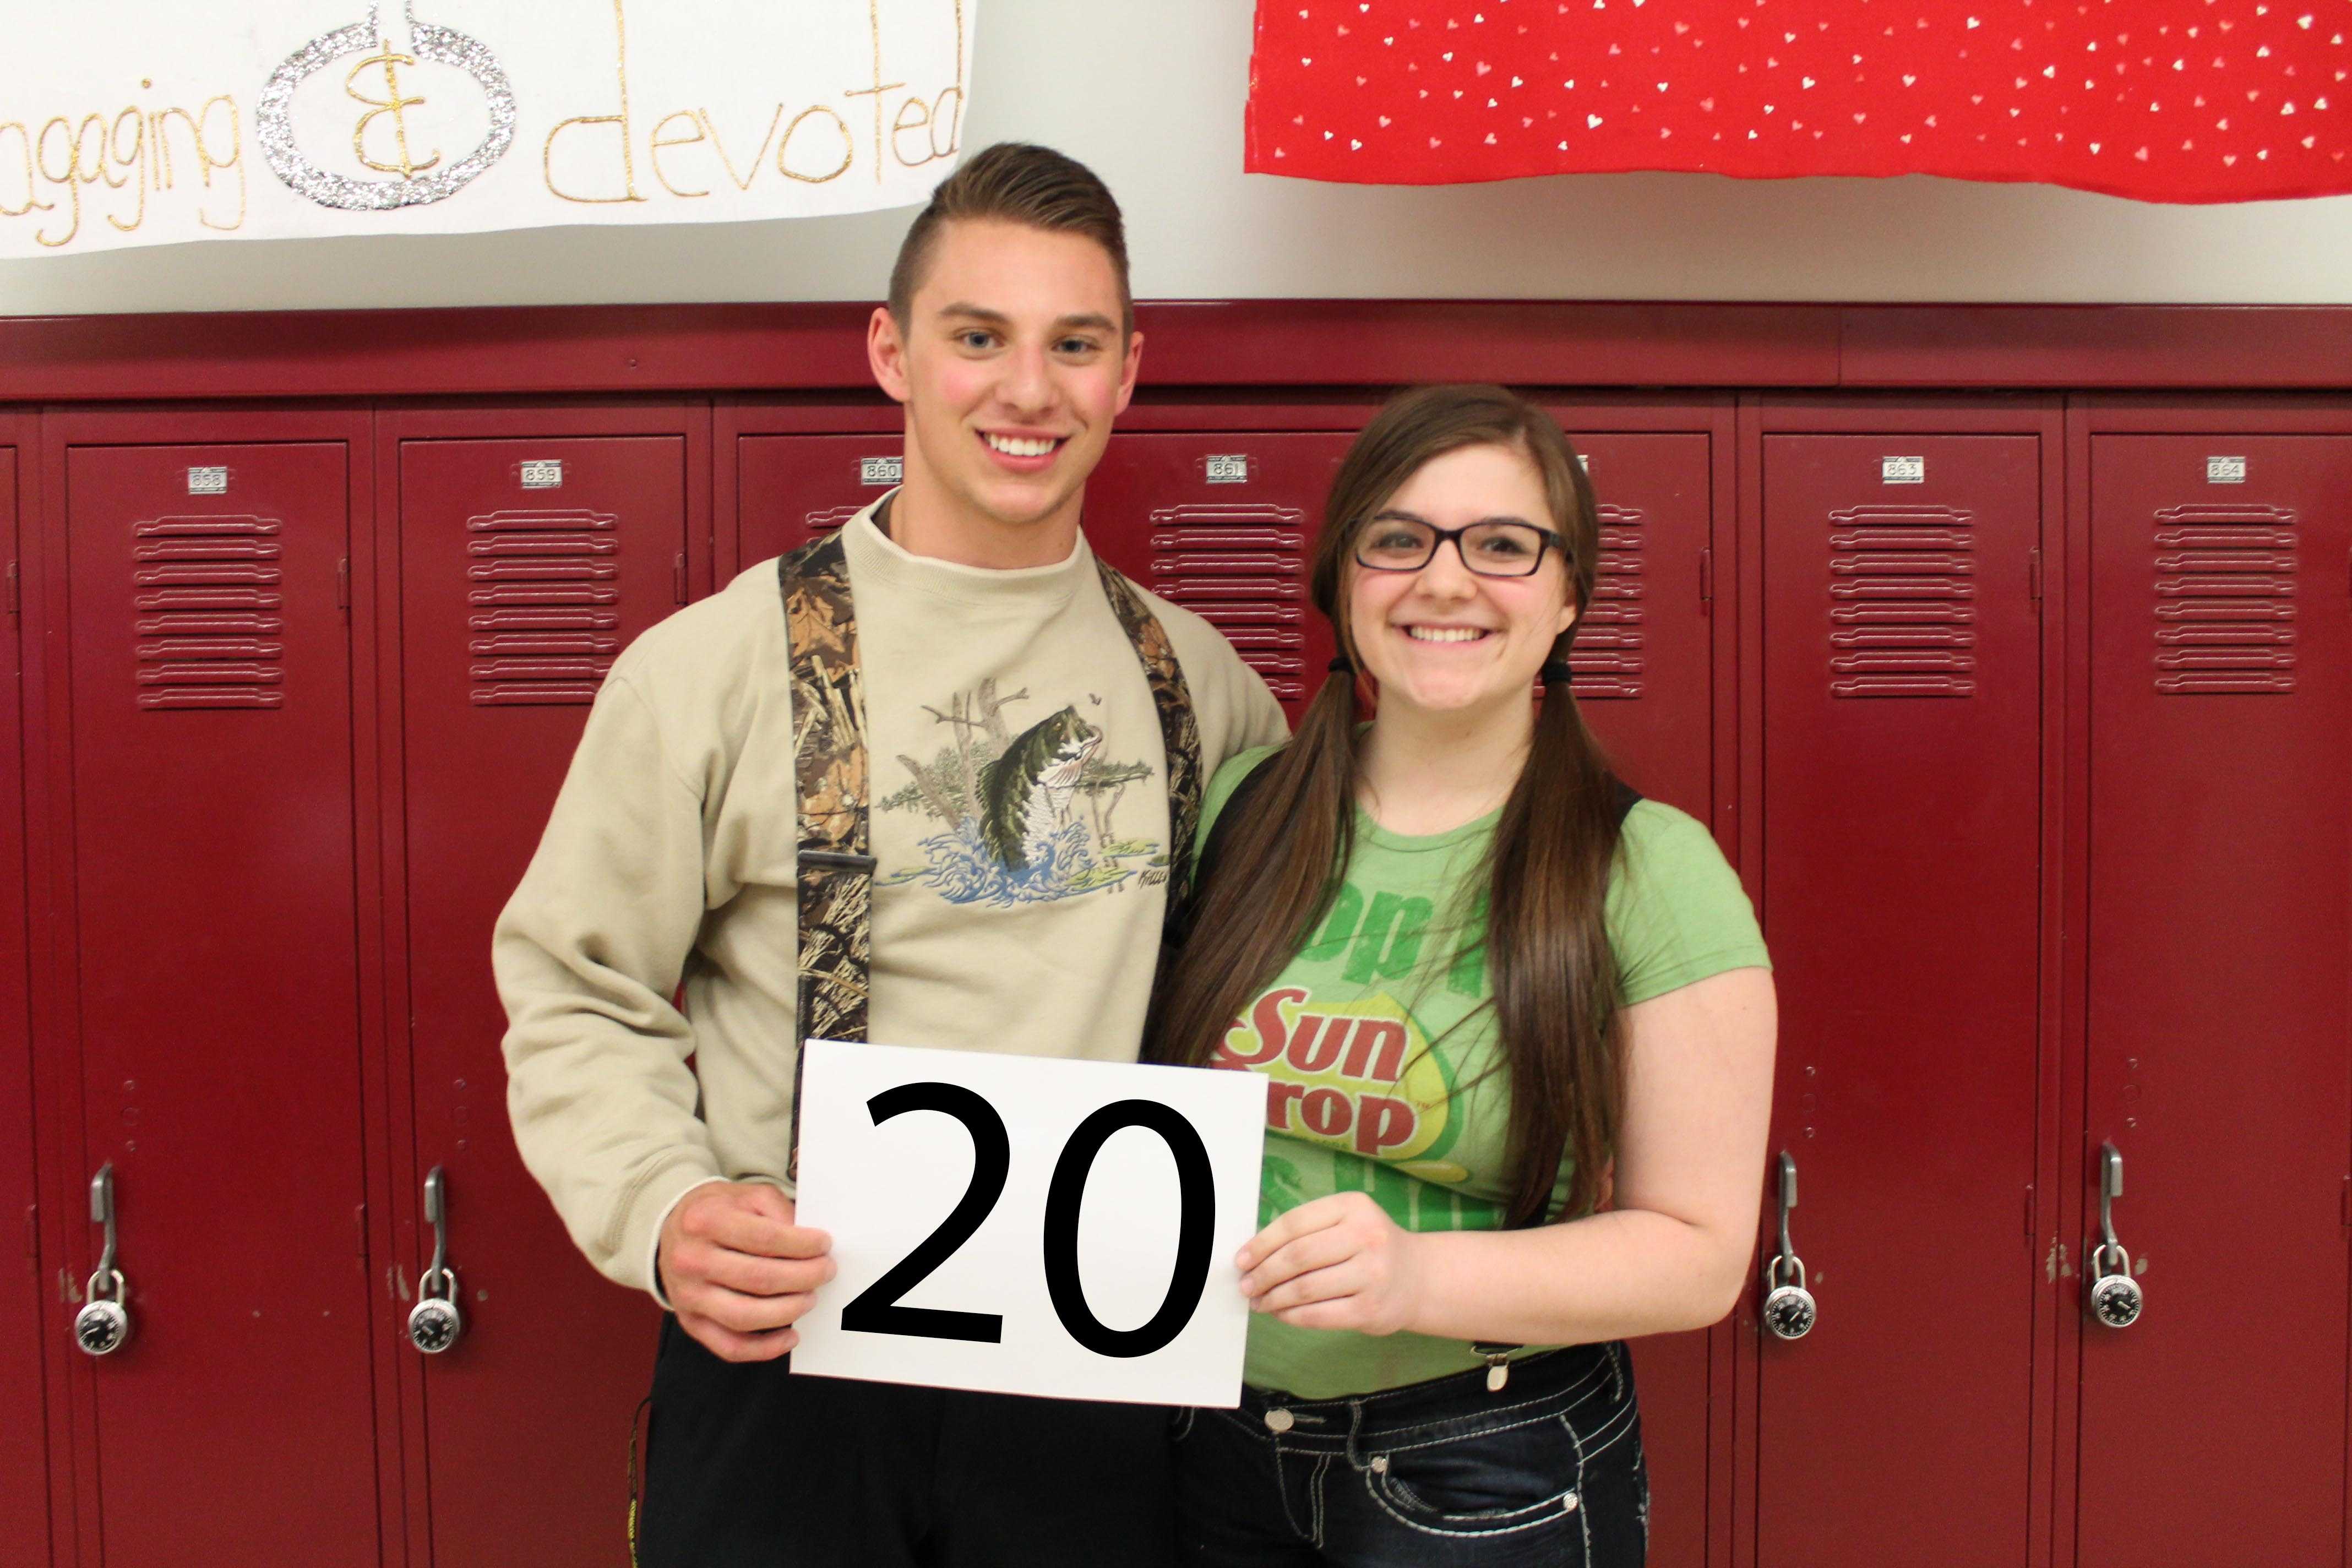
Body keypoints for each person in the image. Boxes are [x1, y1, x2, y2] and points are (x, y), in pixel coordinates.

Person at [493, 142, 1289, 1568]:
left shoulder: (1202, 685)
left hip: (1098, 1378)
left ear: (1126, 372)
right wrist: (663, 1209)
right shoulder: (715, 667)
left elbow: (1290, 981)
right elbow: (571, 981)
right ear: (893, 353)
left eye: (1075, 344)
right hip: (789, 1369)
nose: (1027, 389)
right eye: (978, 337)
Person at [1148, 384, 1775, 1567]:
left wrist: (1419, 1273)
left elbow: (1699, 1251)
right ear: (1342, 580)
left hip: (1489, 1466)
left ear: (1569, 593)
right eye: (1399, 539)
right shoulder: (1244, 810)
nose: (1445, 580)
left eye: (1502, 545)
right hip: (1209, 1443)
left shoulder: (1648, 866)